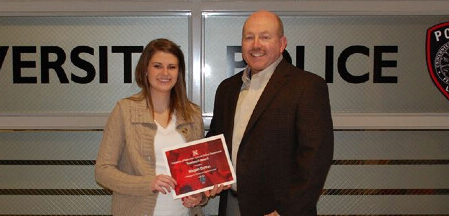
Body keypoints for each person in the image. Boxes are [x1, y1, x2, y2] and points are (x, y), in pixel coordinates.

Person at [206, 10, 334, 216]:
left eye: (265, 37)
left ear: (282, 44)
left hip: (279, 210)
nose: (256, 44)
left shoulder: (307, 86)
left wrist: (285, 212)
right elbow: (215, 141)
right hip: (232, 205)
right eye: (249, 37)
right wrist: (199, 181)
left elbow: (316, 158)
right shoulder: (227, 89)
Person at [95, 38, 226, 216]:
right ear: (145, 70)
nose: (165, 73)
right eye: (157, 66)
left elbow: (199, 174)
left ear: (179, 73)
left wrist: (199, 196)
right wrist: (147, 183)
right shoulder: (124, 110)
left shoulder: (192, 114)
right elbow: (103, 171)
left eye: (172, 67)